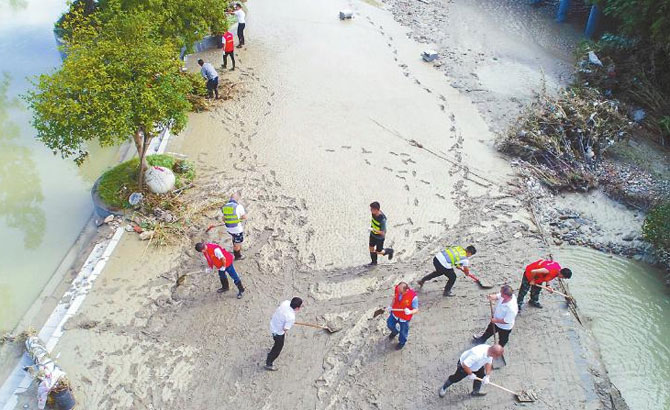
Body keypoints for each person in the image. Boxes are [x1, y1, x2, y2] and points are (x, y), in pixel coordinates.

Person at [438, 344, 504, 398]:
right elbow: (465, 364)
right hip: (464, 366)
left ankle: (476, 391)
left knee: (481, 376)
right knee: (456, 378)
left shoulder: (490, 351)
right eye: (496, 356)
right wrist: (470, 374)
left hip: (476, 365)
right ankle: (443, 388)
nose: (496, 358)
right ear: (492, 353)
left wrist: (487, 375)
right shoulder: (477, 355)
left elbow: (488, 363)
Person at [265, 297, 302, 371]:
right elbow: (285, 329)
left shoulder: (286, 302)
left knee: (276, 342)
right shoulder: (291, 317)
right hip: (278, 332)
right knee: (278, 348)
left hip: (273, 324)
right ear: (297, 308)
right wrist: (290, 323)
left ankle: (270, 355)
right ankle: (269, 363)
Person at [386, 282, 418, 350]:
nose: (399, 293)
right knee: (389, 324)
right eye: (398, 291)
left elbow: (416, 309)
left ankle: (402, 342)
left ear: (406, 290)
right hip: (395, 314)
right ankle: (395, 331)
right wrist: (390, 306)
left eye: (401, 292)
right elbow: (394, 298)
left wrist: (410, 312)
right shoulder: (398, 289)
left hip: (404, 318)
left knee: (403, 332)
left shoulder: (413, 297)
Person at [368, 201, 394, 266]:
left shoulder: (382, 220)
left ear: (377, 210)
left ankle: (389, 251)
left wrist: (374, 230)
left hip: (379, 238)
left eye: (372, 209)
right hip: (372, 235)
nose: (371, 210)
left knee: (378, 251)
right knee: (371, 248)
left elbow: (383, 233)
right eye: (371, 209)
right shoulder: (374, 213)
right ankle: (374, 262)